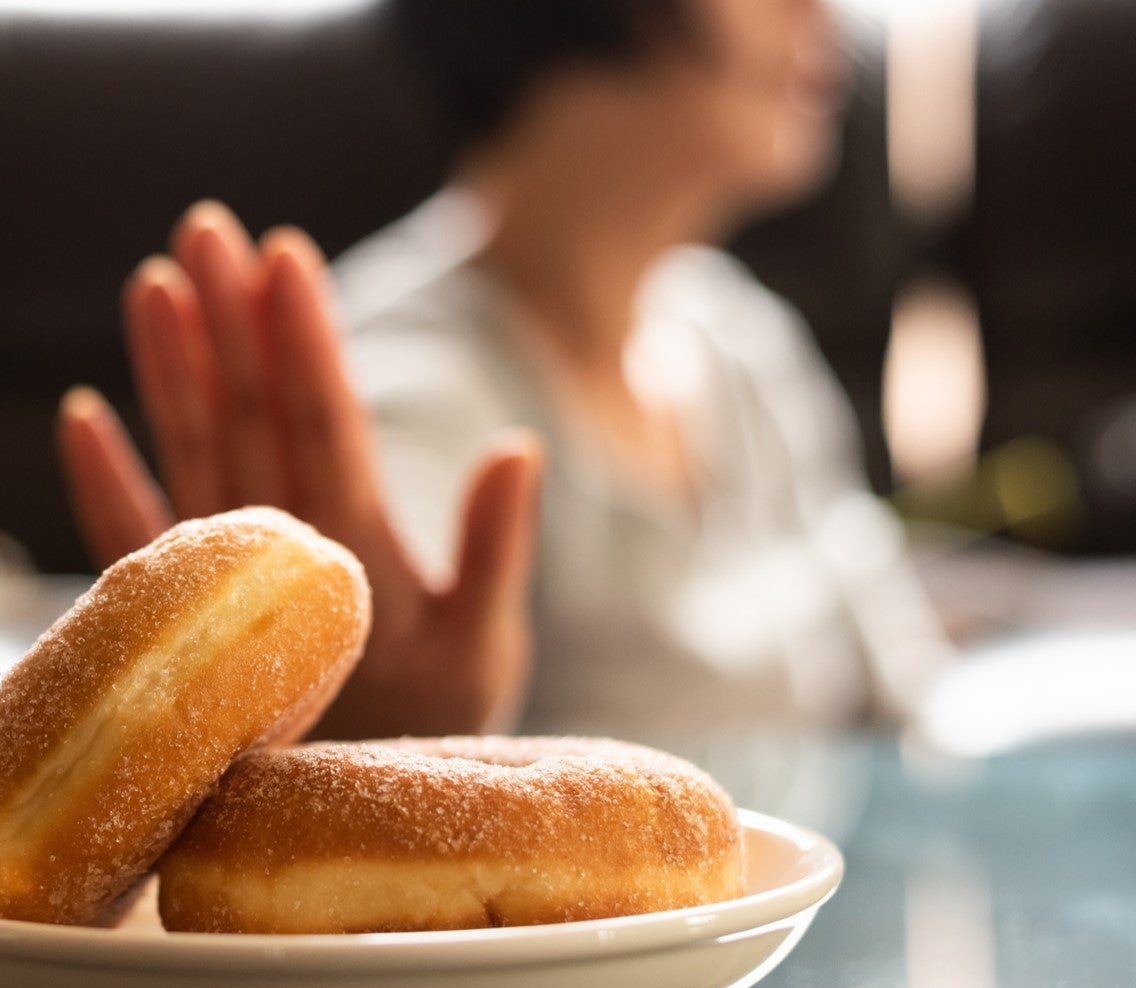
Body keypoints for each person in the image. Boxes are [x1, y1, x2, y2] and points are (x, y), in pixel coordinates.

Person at [55, 0, 947, 765]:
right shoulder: (398, 383)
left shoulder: (744, 340)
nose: (821, 10)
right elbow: (388, 590)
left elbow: (906, 696)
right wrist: (376, 730)